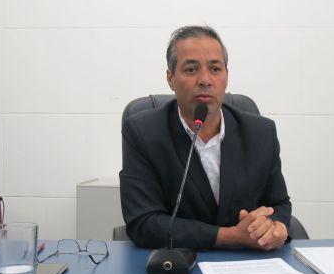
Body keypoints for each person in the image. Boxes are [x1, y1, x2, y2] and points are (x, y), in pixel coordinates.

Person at [120, 25, 291, 251]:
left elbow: (278, 204)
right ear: (170, 78)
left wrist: (275, 227)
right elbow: (144, 223)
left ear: (226, 76)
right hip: (177, 262)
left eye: (215, 69)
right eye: (191, 70)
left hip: (248, 262)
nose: (205, 80)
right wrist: (231, 236)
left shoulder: (260, 133)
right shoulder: (143, 133)